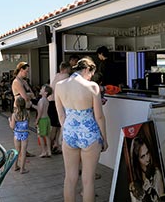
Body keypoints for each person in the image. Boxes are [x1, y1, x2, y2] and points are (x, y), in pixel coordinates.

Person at [55, 57, 108, 202]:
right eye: (91, 73)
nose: (91, 77)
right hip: (90, 135)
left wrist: (66, 132)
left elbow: (61, 114)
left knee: (70, 178)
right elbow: (99, 117)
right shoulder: (92, 87)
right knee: (88, 180)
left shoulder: (59, 85)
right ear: (87, 69)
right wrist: (105, 138)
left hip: (69, 133)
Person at [11, 62, 36, 157]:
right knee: (19, 131)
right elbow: (25, 97)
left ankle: (24, 150)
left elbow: (32, 94)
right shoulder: (17, 82)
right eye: (26, 71)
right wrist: (28, 95)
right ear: (21, 70)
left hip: (26, 109)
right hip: (19, 109)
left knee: (25, 130)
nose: (27, 73)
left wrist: (29, 95)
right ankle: (20, 152)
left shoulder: (24, 81)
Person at [129, 137, 165, 202]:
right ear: (137, 160)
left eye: (148, 153)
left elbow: (162, 199)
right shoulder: (134, 187)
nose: (147, 159)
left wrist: (152, 191)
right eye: (143, 156)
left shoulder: (156, 174)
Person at [48, 61, 71, 154]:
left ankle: (55, 146)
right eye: (69, 69)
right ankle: (49, 148)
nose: (70, 71)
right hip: (56, 104)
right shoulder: (65, 76)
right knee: (55, 127)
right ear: (66, 69)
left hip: (52, 103)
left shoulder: (57, 75)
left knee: (56, 127)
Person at [8, 96, 30, 174]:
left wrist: (10, 121)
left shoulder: (14, 115)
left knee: (17, 151)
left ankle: (15, 166)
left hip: (17, 134)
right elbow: (28, 124)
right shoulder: (27, 113)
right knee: (23, 152)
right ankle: (22, 169)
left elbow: (12, 126)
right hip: (25, 133)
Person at [32, 84, 52, 158]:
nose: (40, 89)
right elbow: (41, 109)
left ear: (46, 93)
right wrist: (32, 105)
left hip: (42, 120)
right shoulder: (46, 100)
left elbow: (39, 111)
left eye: (42, 89)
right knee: (47, 136)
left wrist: (37, 121)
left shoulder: (41, 100)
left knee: (40, 136)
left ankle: (43, 151)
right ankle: (49, 151)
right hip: (47, 119)